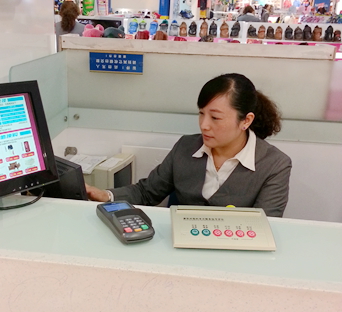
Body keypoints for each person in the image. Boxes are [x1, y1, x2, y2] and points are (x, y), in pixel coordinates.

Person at [86, 73, 292, 217]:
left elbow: (265, 224)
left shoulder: (274, 165)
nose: (204, 125)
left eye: (215, 118)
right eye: (201, 114)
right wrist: (106, 195)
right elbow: (146, 192)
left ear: (246, 120)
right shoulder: (186, 147)